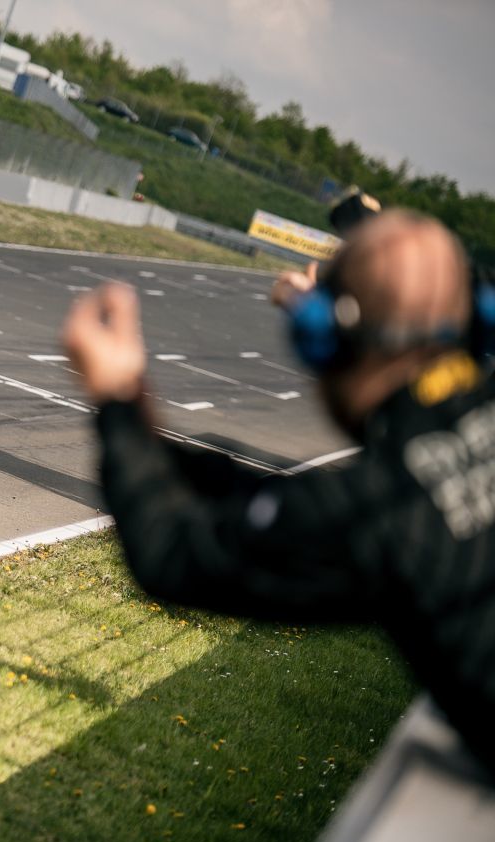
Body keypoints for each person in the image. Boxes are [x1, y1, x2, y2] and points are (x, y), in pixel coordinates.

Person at [60, 209, 495, 793]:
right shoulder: (393, 494)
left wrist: (117, 398)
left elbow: (171, 550)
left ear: (321, 342)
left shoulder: (381, 515)